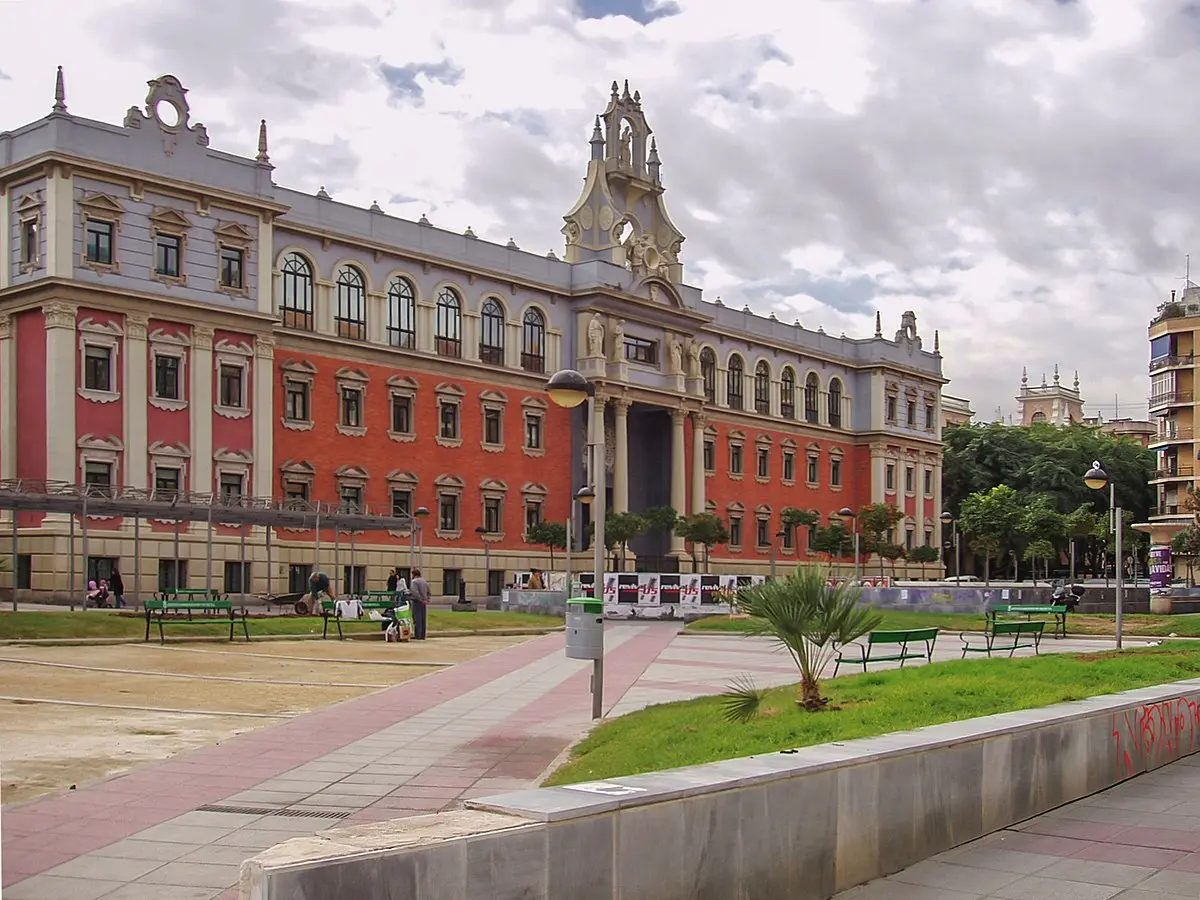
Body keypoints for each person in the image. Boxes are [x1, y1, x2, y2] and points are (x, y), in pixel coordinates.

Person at [409, 568, 431, 640]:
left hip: (417, 601)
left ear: (413, 575)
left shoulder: (414, 582)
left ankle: (418, 635)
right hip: (424, 602)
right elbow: (428, 591)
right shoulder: (424, 581)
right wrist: (427, 600)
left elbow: (415, 593)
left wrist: (420, 599)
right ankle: (423, 635)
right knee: (423, 618)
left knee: (417, 618)